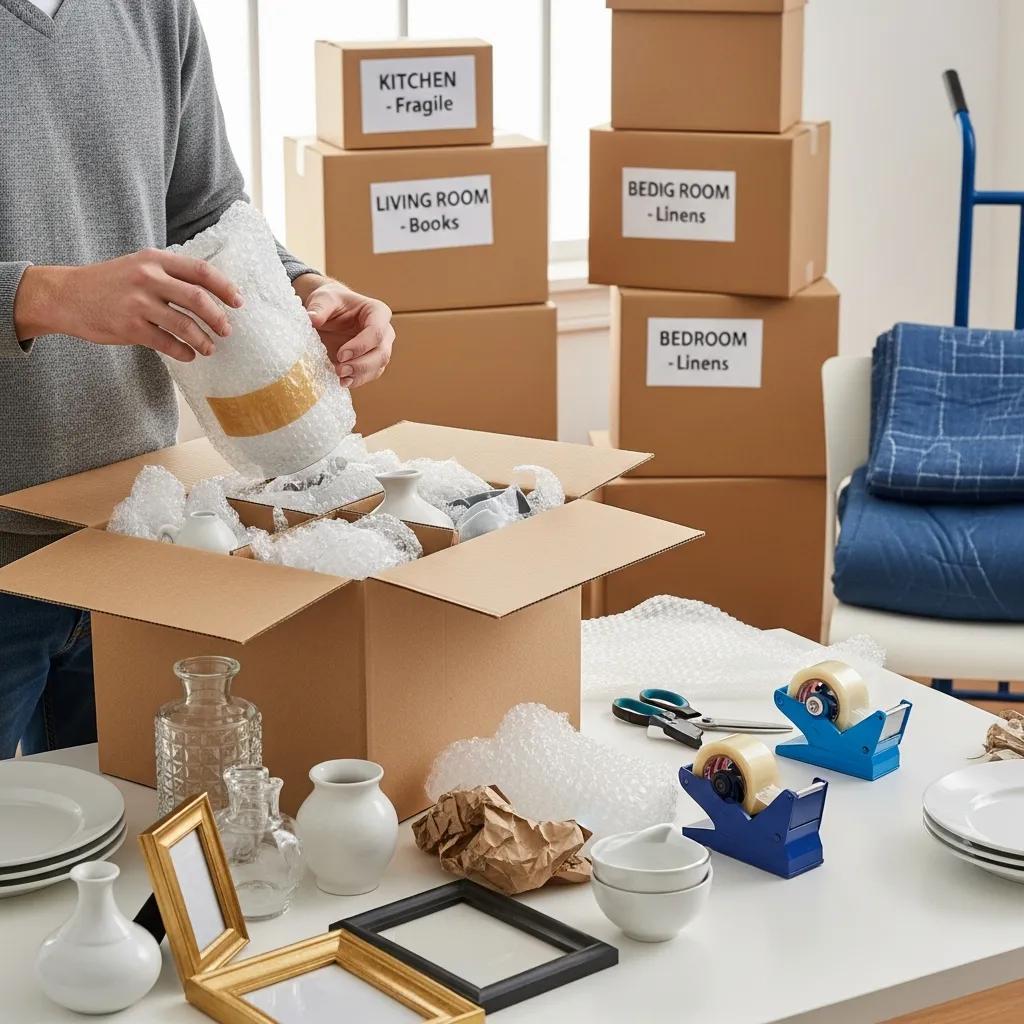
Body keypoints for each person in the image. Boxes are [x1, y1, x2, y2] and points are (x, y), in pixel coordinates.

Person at [0, 0, 395, 758]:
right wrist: (44, 295)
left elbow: (207, 212)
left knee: (144, 822)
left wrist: (305, 288)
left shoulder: (156, 10)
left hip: (133, 533)